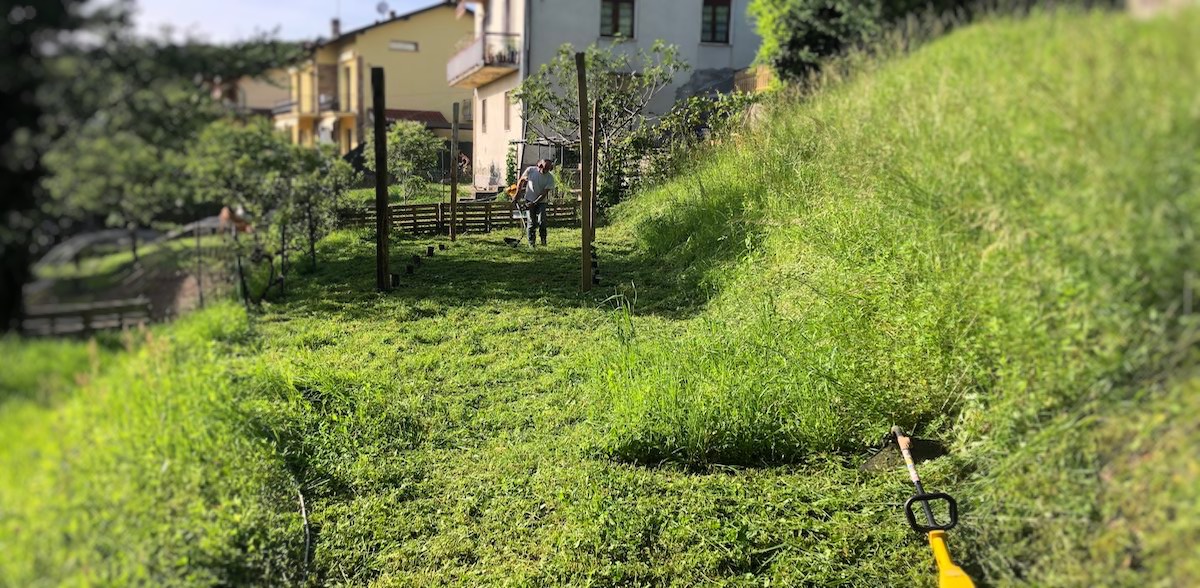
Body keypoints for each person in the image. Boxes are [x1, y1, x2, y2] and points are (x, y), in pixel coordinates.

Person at [517, 159, 555, 247]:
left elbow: (544, 194)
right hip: (529, 199)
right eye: (544, 168)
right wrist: (517, 194)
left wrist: (534, 203)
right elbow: (521, 180)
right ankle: (531, 244)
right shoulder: (530, 170)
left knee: (542, 221)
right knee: (531, 223)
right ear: (539, 166)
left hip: (541, 202)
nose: (545, 171)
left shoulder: (550, 178)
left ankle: (543, 242)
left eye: (547, 169)